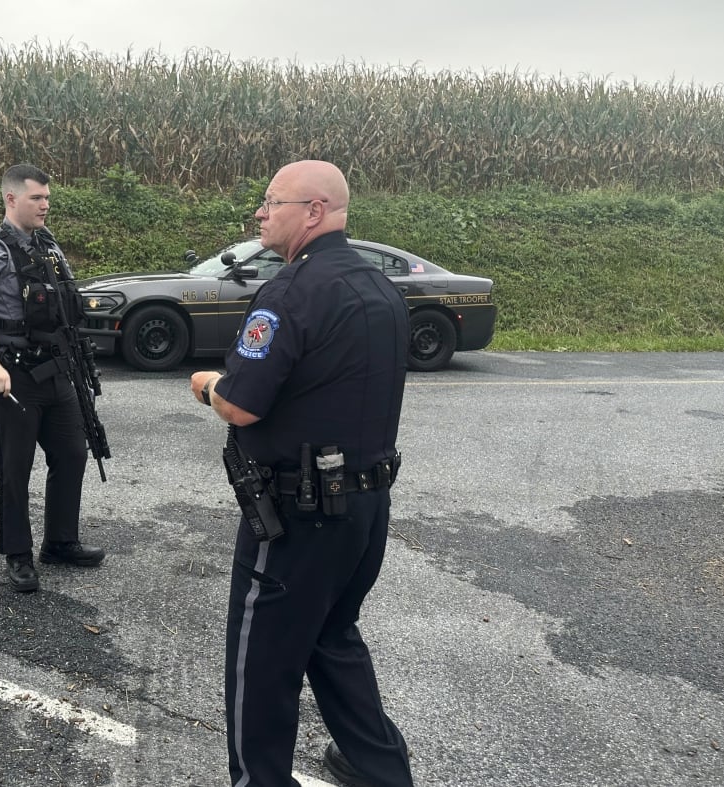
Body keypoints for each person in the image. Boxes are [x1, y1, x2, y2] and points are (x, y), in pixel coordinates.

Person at [189, 160, 415, 787]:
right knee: (333, 638)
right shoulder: (381, 290)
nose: (260, 213)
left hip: (297, 517)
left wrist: (207, 383)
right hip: (365, 510)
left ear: (313, 210)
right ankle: (382, 770)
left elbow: (240, 402)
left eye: (271, 202)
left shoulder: (290, 292)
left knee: (261, 665)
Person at [0, 164, 105, 593]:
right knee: (14, 466)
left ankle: (59, 541)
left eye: (47, 198)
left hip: (56, 372)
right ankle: (17, 553)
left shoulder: (49, 246)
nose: (45, 205)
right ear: (11, 199)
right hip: (10, 374)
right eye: (37, 198)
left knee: (73, 453)